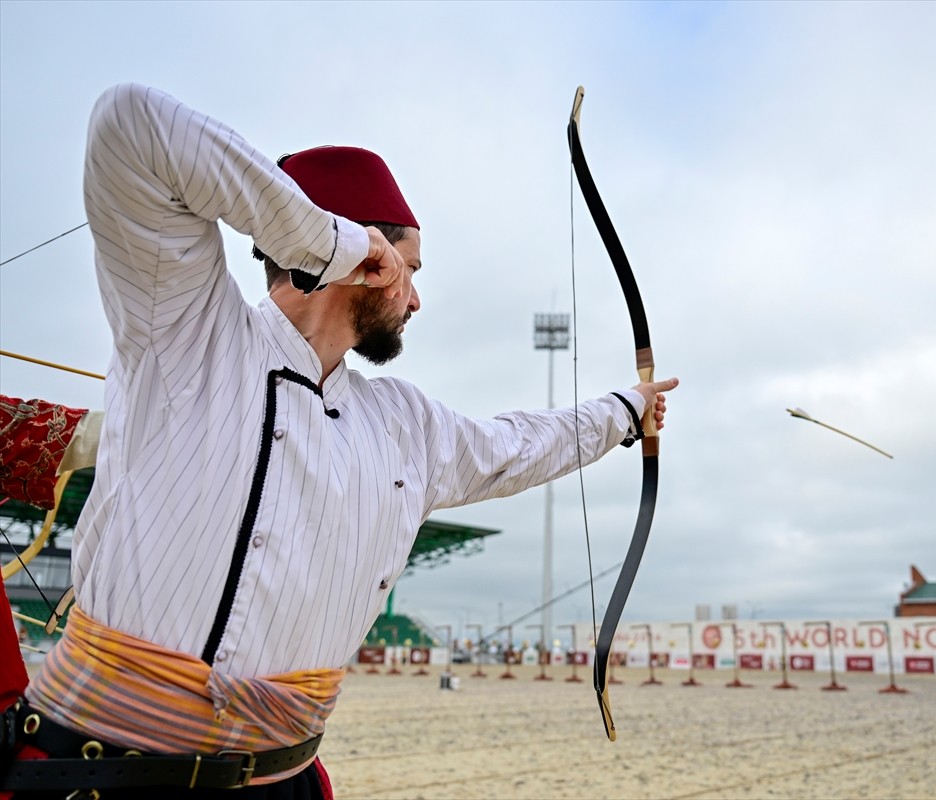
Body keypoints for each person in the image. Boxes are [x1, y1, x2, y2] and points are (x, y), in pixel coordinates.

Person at [0, 83, 677, 799]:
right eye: (408, 268)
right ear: (368, 256)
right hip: (104, 777)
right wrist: (335, 244)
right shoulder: (188, 332)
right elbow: (129, 127)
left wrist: (626, 411)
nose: (414, 297)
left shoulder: (404, 424)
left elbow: (516, 443)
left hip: (286, 779)